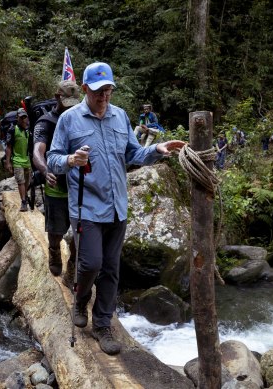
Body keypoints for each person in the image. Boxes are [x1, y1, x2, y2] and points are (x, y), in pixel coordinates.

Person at [47, 62, 186, 355]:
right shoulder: (69, 120)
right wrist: (71, 160)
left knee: (111, 269)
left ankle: (102, 325)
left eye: (108, 90)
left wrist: (156, 150)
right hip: (86, 206)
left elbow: (133, 153)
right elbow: (52, 159)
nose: (104, 96)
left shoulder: (120, 116)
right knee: (91, 264)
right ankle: (80, 298)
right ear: (85, 89)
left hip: (117, 208)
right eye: (99, 91)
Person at [33, 80, 81, 283]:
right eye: (66, 101)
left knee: (83, 234)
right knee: (56, 230)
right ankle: (54, 251)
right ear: (57, 97)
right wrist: (45, 170)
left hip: (80, 186)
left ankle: (73, 264)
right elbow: (38, 150)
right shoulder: (46, 122)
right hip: (56, 187)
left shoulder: (80, 118)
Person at [5, 108, 31, 212]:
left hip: (27, 161)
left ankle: (25, 196)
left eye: (25, 117)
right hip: (17, 161)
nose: (23, 119)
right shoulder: (12, 130)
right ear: (18, 118)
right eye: (21, 117)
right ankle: (23, 202)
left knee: (27, 182)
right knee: (21, 181)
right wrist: (8, 162)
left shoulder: (28, 130)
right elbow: (8, 147)